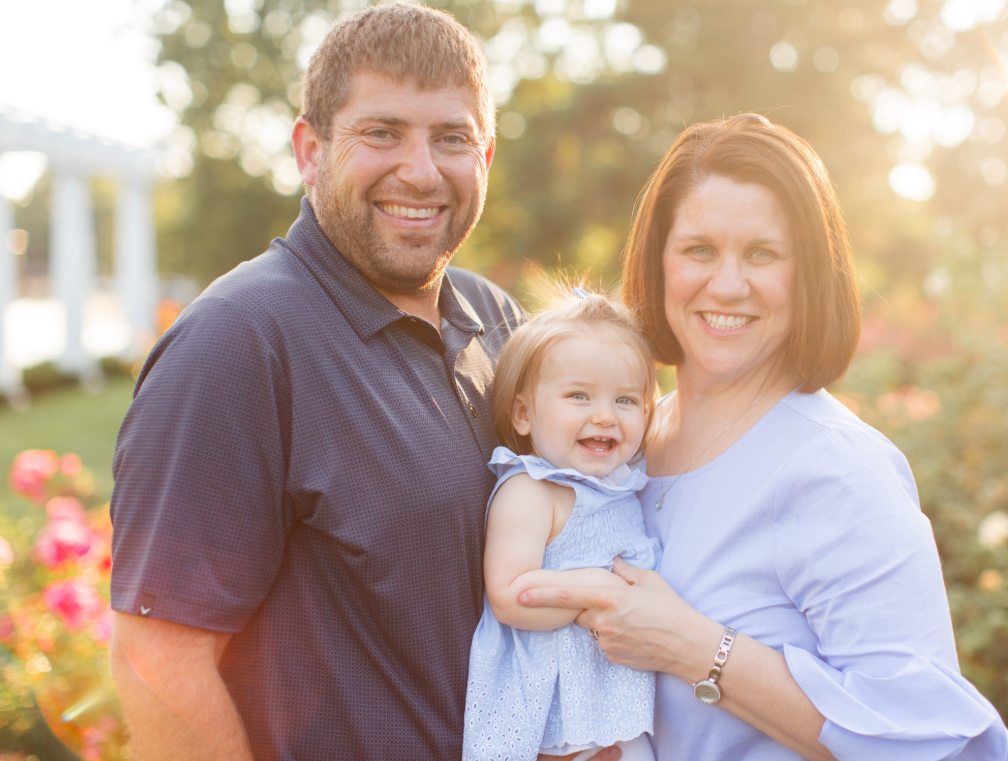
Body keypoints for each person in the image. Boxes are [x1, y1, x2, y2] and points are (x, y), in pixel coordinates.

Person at [107, 6, 622, 761]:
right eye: (382, 132)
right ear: (310, 150)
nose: (420, 170)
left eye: (450, 138)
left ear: (484, 157)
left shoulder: (498, 320)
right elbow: (158, 663)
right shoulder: (237, 343)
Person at [520, 114, 1008, 760]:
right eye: (699, 250)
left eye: (762, 254)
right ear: (659, 264)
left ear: (807, 273)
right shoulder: (616, 445)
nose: (728, 284)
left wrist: (694, 647)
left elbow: (924, 740)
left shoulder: (838, 469)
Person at [462, 290, 660, 761]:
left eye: (626, 400)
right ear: (524, 413)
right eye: (578, 396)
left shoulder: (621, 484)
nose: (605, 416)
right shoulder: (532, 491)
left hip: (612, 702)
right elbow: (511, 597)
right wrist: (596, 589)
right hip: (553, 712)